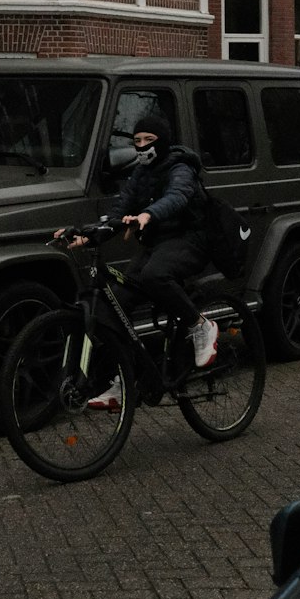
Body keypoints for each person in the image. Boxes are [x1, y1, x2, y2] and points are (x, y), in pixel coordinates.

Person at [62, 111, 218, 410]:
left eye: (149, 140)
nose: (142, 146)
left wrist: (148, 214)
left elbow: (178, 196)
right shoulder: (141, 174)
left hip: (190, 239)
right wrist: (89, 235)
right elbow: (120, 209)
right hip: (156, 244)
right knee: (112, 307)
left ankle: (200, 325)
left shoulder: (180, 166)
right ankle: (123, 380)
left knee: (154, 276)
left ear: (163, 142)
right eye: (137, 141)